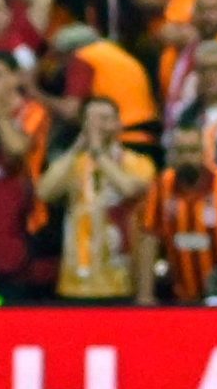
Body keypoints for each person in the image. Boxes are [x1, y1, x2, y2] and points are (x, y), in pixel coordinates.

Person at [37, 95, 155, 301]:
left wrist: (98, 153)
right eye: (91, 120)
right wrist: (76, 149)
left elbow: (128, 189)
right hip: (75, 283)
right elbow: (44, 192)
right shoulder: (75, 163)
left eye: (105, 118)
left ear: (119, 123)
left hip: (120, 281)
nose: (97, 126)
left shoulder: (137, 162)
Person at [133, 124, 217, 304]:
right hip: (182, 296)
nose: (187, 158)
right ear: (172, 155)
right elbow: (149, 238)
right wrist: (145, 295)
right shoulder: (162, 185)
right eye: (181, 151)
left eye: (193, 151)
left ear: (204, 152)